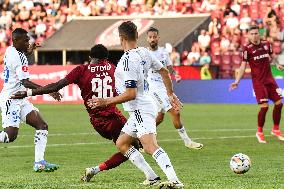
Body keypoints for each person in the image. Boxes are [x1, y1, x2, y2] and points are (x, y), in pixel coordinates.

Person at [11, 44, 139, 182]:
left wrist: (28, 92)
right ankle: (149, 176)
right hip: (113, 118)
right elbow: (124, 91)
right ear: (106, 58)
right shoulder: (113, 69)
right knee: (133, 147)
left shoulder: (81, 70)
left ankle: (96, 170)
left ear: (90, 57)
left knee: (131, 146)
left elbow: (56, 86)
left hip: (97, 122)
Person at [87, 21, 184, 188]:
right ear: (137, 36)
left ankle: (175, 180)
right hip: (144, 106)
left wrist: (105, 102)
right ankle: (152, 176)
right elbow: (164, 71)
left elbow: (131, 94)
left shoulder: (127, 61)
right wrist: (170, 93)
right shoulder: (144, 52)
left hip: (139, 107)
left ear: (121, 38)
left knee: (149, 146)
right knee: (122, 143)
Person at [0, 28, 61, 172]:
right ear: (16, 40)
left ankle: (39, 162)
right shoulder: (18, 57)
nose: (28, 42)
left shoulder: (10, 50)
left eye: (28, 39)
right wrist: (49, 90)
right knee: (10, 136)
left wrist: (30, 50)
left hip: (20, 98)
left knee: (42, 125)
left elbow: (22, 55)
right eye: (25, 40)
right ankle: (39, 162)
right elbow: (26, 83)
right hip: (11, 98)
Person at [146, 27, 203, 150]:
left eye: (154, 37)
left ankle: (141, 139)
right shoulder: (145, 54)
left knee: (159, 118)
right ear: (147, 38)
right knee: (175, 112)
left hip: (164, 86)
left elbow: (169, 67)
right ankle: (187, 141)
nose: (152, 39)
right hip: (154, 89)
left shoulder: (163, 52)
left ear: (158, 37)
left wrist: (175, 74)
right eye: (150, 37)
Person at [230, 25, 284, 143]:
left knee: (279, 104)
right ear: (249, 35)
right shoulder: (247, 48)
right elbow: (243, 66)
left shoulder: (266, 44)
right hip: (258, 82)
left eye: (256, 33)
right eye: (252, 34)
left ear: (259, 34)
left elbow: (272, 55)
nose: (254, 36)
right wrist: (236, 81)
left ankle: (275, 129)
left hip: (270, 80)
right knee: (264, 107)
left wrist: (277, 64)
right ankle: (259, 132)